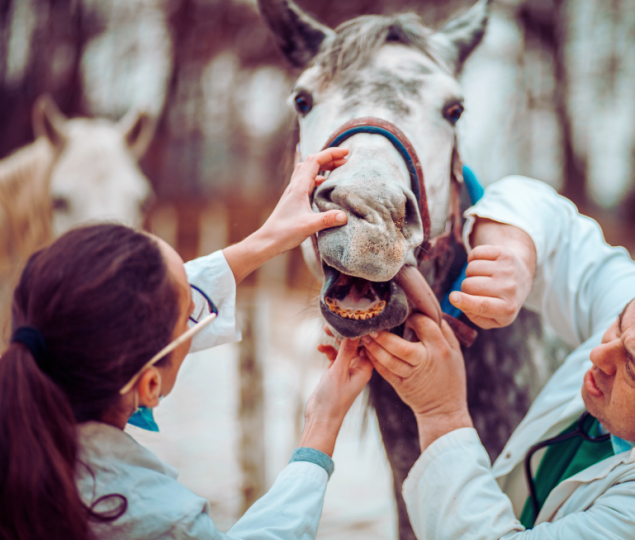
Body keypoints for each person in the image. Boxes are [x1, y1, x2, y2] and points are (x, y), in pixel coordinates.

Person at [360, 176, 635, 539]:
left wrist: (441, 414)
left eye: (634, 371)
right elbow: (539, 209)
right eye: (618, 322)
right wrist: (513, 255)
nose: (599, 354)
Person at [0, 148, 374, 540]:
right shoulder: (158, 522)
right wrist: (321, 428)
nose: (196, 317)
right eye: (188, 319)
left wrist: (263, 241)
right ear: (149, 385)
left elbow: (112, 307)